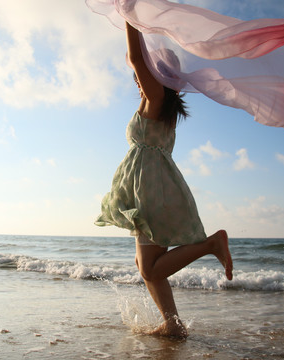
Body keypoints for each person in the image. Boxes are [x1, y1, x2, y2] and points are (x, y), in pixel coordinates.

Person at [95, 22, 233, 339]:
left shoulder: (157, 98)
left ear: (159, 75)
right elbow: (137, 65)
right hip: (151, 188)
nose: (139, 82)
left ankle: (211, 243)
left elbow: (135, 57)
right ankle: (172, 324)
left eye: (144, 76)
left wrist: (130, 16)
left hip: (152, 191)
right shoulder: (160, 104)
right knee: (148, 266)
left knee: (150, 269)